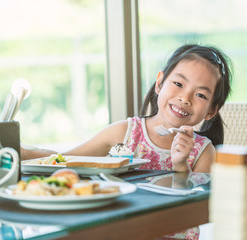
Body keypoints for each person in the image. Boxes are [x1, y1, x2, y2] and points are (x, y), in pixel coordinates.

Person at [21, 43, 232, 239]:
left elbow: (197, 209)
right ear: (159, 82)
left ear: (212, 110)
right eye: (178, 84)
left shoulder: (203, 151)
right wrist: (25, 152)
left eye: (201, 95)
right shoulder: (125, 132)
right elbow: (68, 159)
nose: (185, 98)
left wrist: (180, 166)